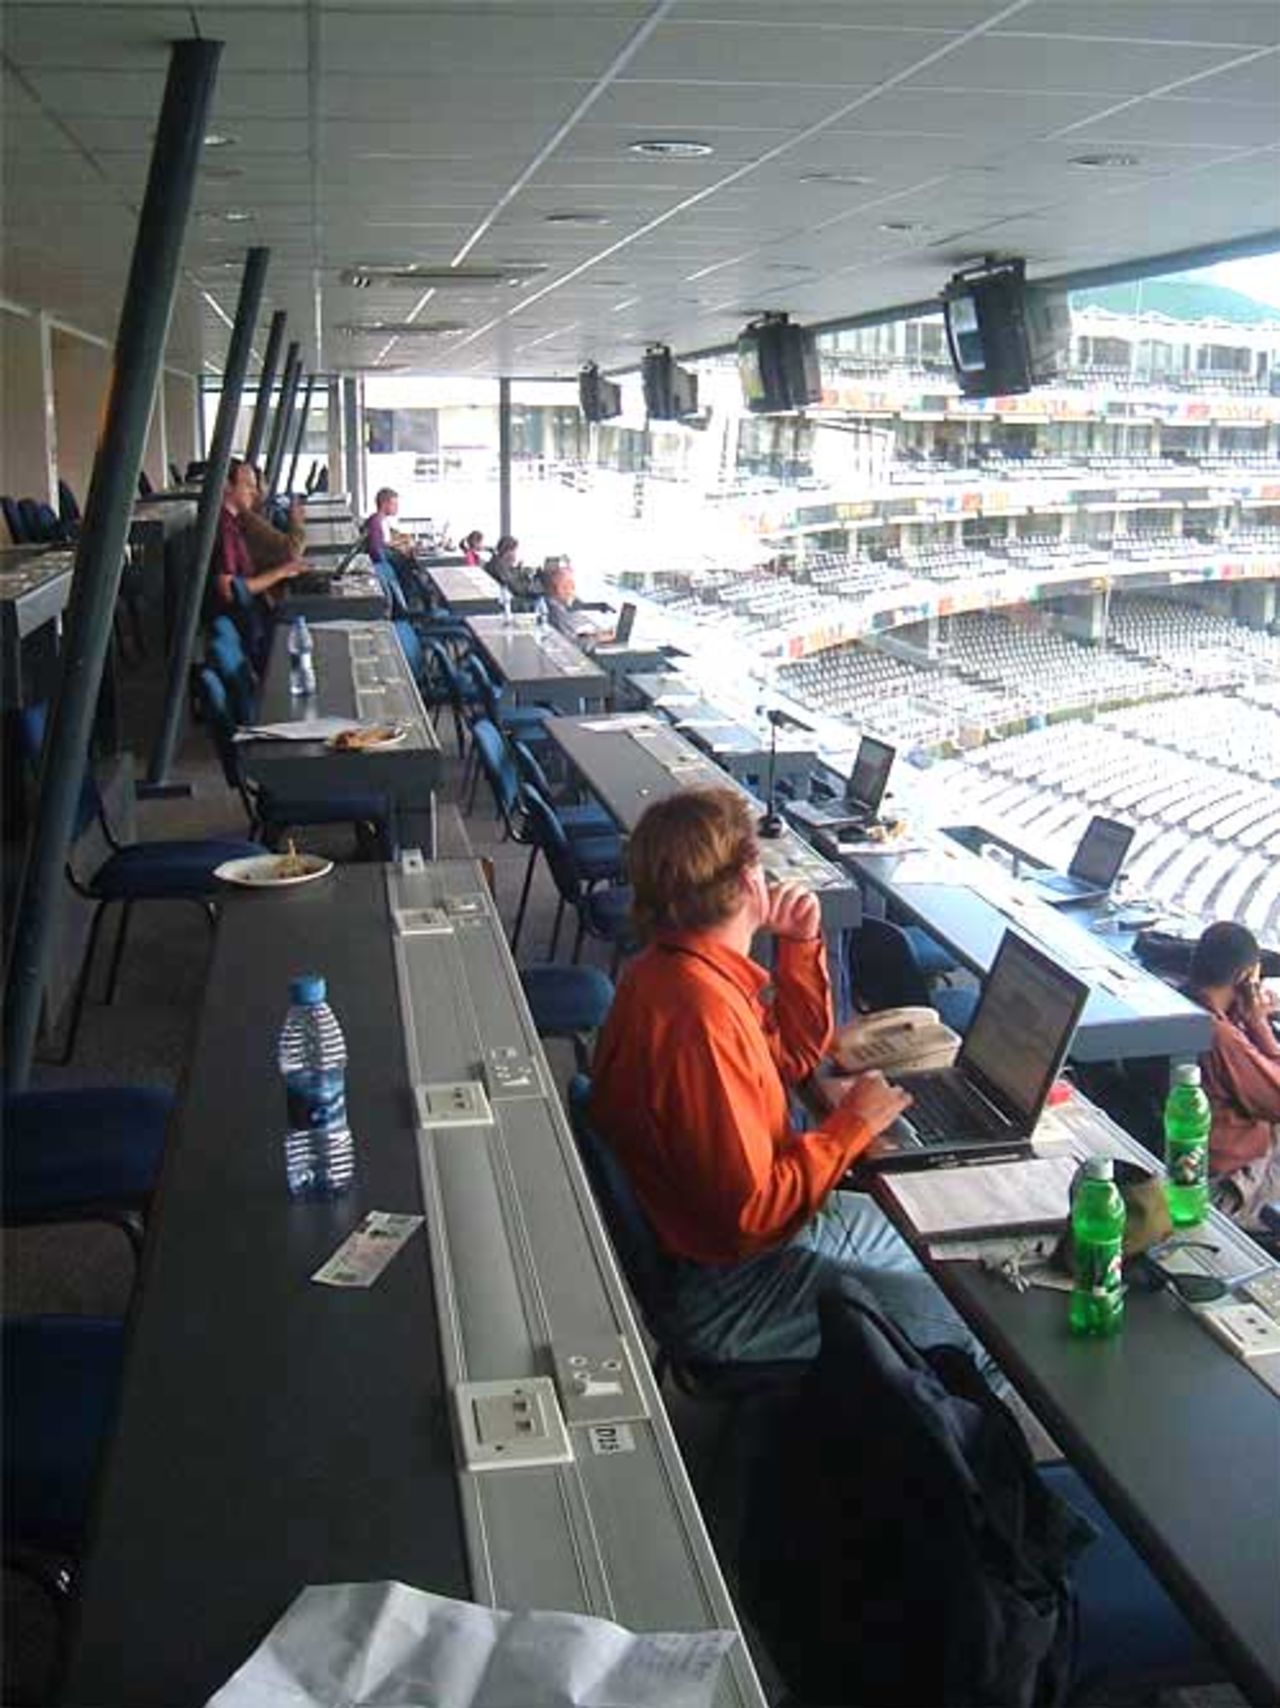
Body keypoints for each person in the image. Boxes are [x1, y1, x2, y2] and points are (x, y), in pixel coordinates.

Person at [590, 787, 994, 1368]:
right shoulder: (701, 1020)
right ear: (750, 880)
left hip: (738, 1240)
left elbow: (793, 1058)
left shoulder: (673, 970)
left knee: (949, 1244)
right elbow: (753, 1214)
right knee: (978, 1325)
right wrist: (852, 1125)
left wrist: (800, 945)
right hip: (736, 1287)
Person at [1186, 921, 1280, 1229]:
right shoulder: (1219, 1036)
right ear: (1243, 978)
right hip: (1226, 1188)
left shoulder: (1181, 1004)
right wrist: (1258, 1023)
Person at [211, 458, 302, 606]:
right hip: (242, 612)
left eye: (254, 486)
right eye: (248, 486)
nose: (254, 493)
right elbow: (229, 590)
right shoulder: (226, 527)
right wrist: (281, 572)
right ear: (228, 487)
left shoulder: (236, 521)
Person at [365, 487, 413, 562]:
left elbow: (387, 542)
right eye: (394, 504)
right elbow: (377, 549)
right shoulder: (376, 522)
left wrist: (402, 541)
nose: (397, 508)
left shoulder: (383, 520)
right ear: (384, 504)